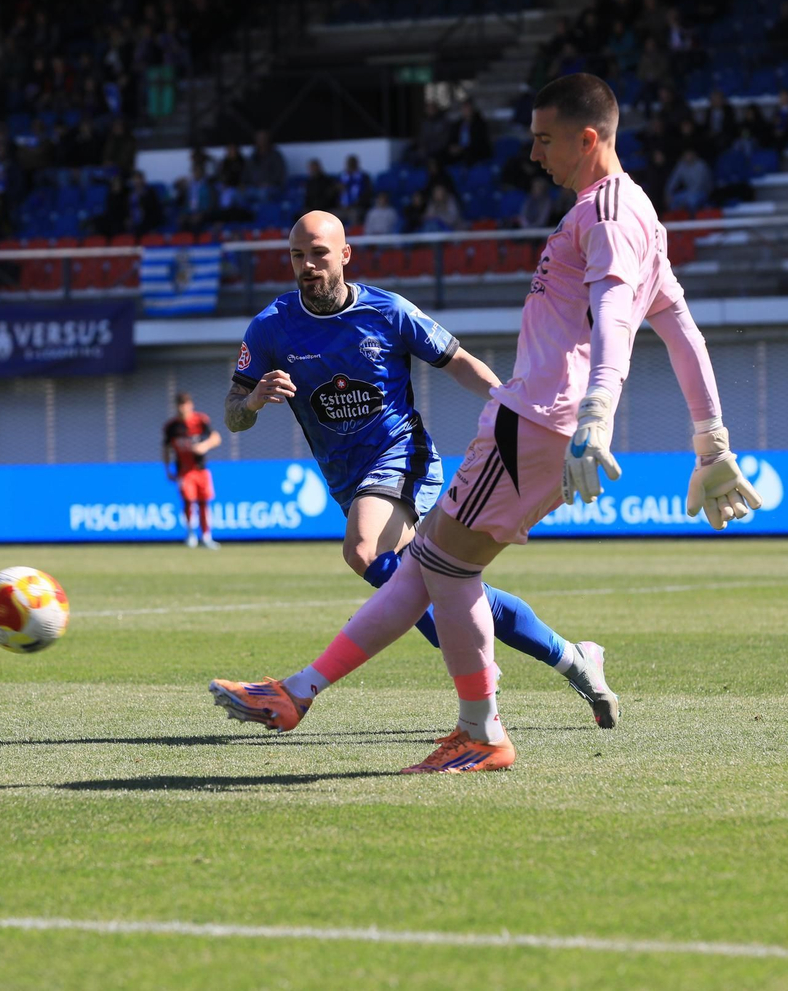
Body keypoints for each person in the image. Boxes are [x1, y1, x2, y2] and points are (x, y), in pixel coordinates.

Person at [210, 75, 760, 773]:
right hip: (544, 423)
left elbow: (622, 318)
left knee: (437, 569)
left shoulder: (608, 215)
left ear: (587, 138)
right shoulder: (634, 211)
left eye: (543, 139)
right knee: (431, 568)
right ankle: (301, 692)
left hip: (533, 421)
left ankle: (479, 730)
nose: (533, 154)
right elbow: (681, 328)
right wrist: (710, 439)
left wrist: (598, 412)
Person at [211, 209, 620, 733]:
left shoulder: (388, 311)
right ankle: (574, 658)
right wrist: (253, 403)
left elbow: (459, 362)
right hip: (347, 478)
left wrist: (515, 416)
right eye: (297, 255)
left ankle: (474, 675)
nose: (308, 265)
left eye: (318, 253)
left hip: (403, 459)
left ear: (344, 255)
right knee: (442, 579)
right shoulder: (271, 326)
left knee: (364, 549)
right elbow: (233, 413)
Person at [163, 392, 222, 549]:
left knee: (204, 502)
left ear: (191, 405)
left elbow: (216, 438)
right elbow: (166, 448)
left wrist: (204, 446)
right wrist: (167, 468)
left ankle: (206, 536)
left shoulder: (201, 420)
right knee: (188, 501)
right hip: (184, 470)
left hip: (201, 469)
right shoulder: (171, 427)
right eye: (180, 405)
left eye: (186, 404)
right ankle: (190, 534)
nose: (183, 408)